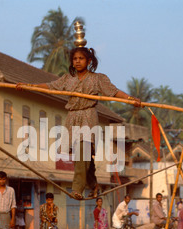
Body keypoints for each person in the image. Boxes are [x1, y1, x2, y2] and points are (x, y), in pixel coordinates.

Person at [16, 45, 141, 200]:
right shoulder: (68, 79)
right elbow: (50, 86)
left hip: (88, 116)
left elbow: (114, 92)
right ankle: (93, 183)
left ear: (88, 61)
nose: (77, 61)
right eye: (75, 59)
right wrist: (29, 86)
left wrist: (130, 99)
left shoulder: (97, 79)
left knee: (83, 150)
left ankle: (77, 188)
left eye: (81, 58)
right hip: (73, 118)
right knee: (81, 156)